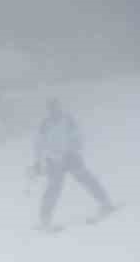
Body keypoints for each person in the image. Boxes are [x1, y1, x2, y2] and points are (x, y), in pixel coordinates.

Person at [32, 98, 117, 231]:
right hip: (54, 160)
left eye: (57, 108)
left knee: (86, 179)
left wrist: (75, 149)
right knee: (53, 188)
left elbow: (77, 136)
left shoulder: (68, 120)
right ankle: (45, 219)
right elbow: (38, 144)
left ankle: (105, 203)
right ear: (49, 111)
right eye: (52, 109)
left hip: (70, 156)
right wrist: (38, 161)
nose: (55, 111)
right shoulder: (45, 124)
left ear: (60, 107)